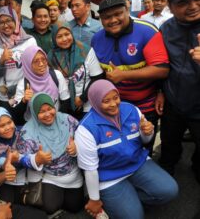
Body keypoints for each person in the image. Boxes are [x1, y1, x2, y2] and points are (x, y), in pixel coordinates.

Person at [75, 79, 178, 219]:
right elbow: (90, 169)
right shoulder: (86, 129)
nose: (113, 104)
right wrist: (94, 199)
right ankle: (119, 203)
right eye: (106, 101)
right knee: (134, 216)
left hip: (137, 164)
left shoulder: (131, 109)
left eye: (116, 97)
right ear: (95, 102)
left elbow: (145, 141)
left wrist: (147, 133)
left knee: (170, 190)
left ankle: (128, 201)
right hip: (109, 176)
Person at [91, 0, 170, 154]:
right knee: (120, 147)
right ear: (101, 19)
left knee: (144, 147)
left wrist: (125, 75)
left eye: (118, 14)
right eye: (107, 17)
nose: (112, 20)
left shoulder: (147, 31)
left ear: (127, 11)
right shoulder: (96, 39)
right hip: (115, 107)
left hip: (146, 103)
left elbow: (162, 69)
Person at [157, 0, 200, 182]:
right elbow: (160, 66)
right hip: (173, 104)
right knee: (169, 144)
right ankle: (167, 168)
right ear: (171, 7)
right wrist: (160, 92)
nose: (192, 6)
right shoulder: (165, 30)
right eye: (184, 2)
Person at [17, 92, 84, 214]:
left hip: (74, 175)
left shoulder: (67, 120)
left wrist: (76, 149)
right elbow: (19, 158)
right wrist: (36, 159)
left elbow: (87, 141)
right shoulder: (27, 132)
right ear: (34, 112)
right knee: (50, 208)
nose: (48, 114)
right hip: (50, 177)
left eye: (50, 109)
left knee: (76, 207)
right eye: (41, 111)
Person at [48, 24, 104, 118]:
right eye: (59, 36)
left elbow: (97, 78)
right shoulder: (51, 57)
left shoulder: (85, 50)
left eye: (67, 34)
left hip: (88, 105)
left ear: (72, 34)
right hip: (64, 106)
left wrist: (82, 98)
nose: (65, 39)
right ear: (54, 38)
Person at [0, 6, 36, 120]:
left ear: (16, 20)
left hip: (26, 93)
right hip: (5, 96)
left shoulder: (30, 41)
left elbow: (36, 66)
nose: (5, 25)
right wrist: (2, 60)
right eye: (1, 22)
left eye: (9, 20)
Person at [13, 45, 70, 122]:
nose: (41, 64)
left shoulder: (56, 75)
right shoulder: (23, 85)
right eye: (36, 61)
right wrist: (24, 101)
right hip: (34, 127)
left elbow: (65, 101)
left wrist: (57, 121)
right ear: (28, 64)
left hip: (56, 121)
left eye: (43, 59)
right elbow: (16, 114)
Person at [0, 107, 26, 204]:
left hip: (25, 176)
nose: (8, 127)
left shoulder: (22, 132)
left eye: (9, 122)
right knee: (7, 204)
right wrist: (5, 162)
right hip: (5, 181)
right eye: (2, 125)